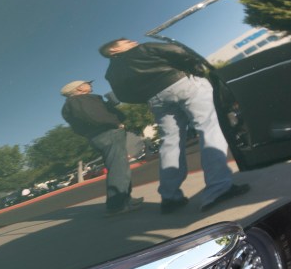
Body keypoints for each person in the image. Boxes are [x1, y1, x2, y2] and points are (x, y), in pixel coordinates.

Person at [99, 38, 248, 213]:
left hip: (156, 99)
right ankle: (219, 188)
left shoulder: (111, 73)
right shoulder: (144, 48)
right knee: (209, 127)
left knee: (170, 141)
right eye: (126, 42)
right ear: (114, 51)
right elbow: (178, 51)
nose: (132, 42)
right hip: (181, 84)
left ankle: (170, 197)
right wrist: (196, 70)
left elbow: (123, 96)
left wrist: (149, 95)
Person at [60, 79, 142, 216]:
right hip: (107, 133)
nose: (90, 84)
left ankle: (125, 199)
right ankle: (117, 205)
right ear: (78, 89)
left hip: (100, 135)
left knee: (120, 167)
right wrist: (115, 122)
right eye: (86, 83)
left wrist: (108, 107)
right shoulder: (79, 101)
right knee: (118, 169)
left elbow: (88, 120)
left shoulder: (73, 104)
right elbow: (94, 116)